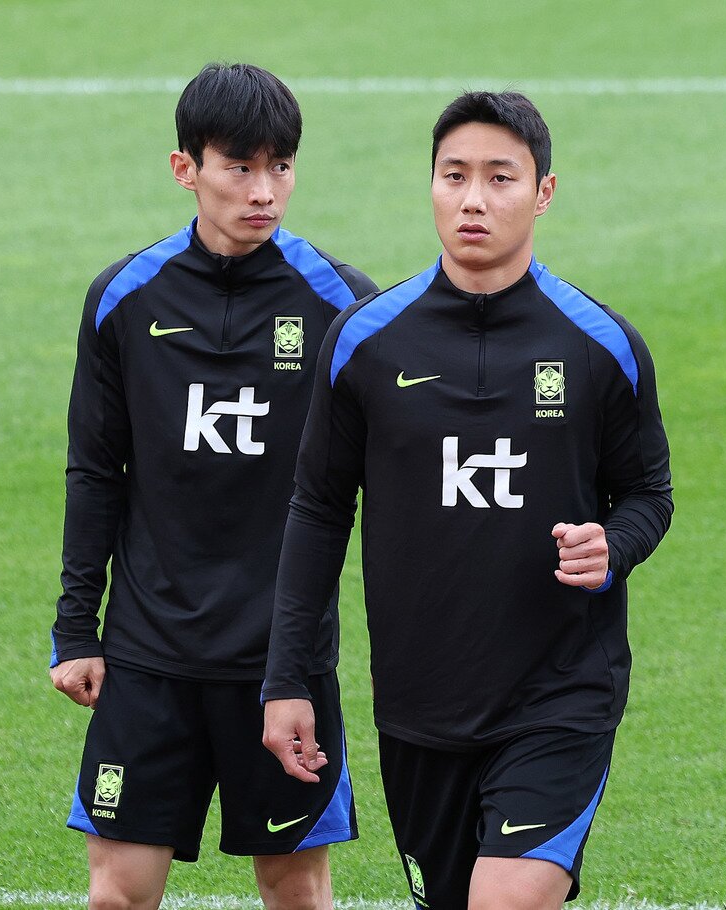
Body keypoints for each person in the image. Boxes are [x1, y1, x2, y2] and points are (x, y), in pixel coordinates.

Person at [261, 90, 673, 910]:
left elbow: (647, 494)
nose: (473, 199)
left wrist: (612, 546)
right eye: (454, 176)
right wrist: (286, 679)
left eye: (499, 177)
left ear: (543, 192)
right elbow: (318, 512)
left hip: (561, 694)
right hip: (420, 705)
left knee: (505, 900)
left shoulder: (600, 345)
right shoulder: (365, 342)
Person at [50, 62, 376, 910]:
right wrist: (76, 628)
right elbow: (95, 470)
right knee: (118, 892)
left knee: (294, 887)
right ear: (185, 168)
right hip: (146, 653)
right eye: (239, 167)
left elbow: (397, 470)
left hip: (282, 663)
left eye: (281, 166)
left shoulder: (344, 305)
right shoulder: (124, 299)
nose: (264, 191)